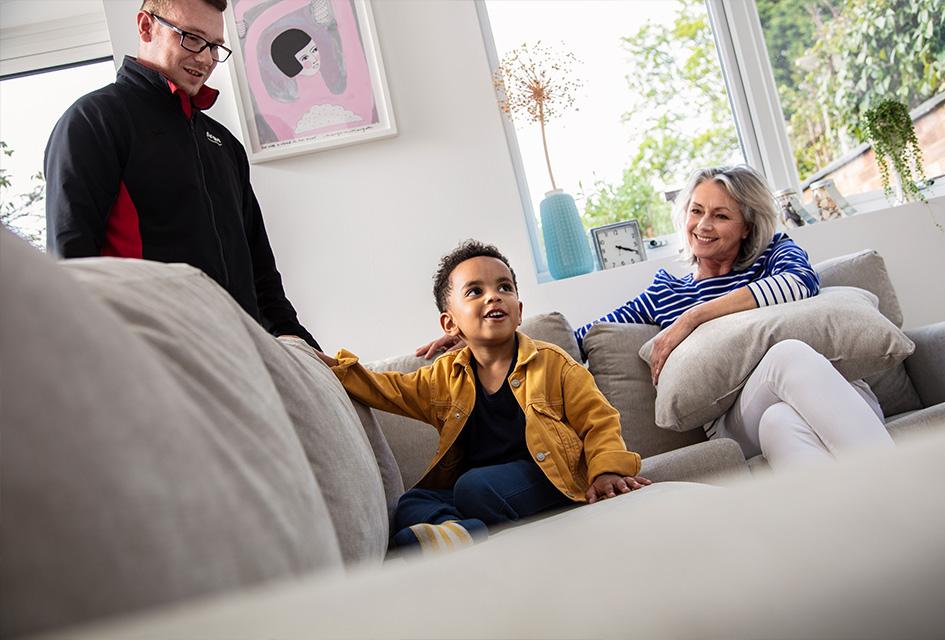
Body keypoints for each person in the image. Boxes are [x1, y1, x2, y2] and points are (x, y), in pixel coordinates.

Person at [317, 241, 651, 553]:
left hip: (550, 477)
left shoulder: (554, 364)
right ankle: (455, 532)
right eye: (476, 291)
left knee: (473, 487)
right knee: (413, 501)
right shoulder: (446, 375)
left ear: (519, 311)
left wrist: (606, 471)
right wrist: (337, 368)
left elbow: (599, 420)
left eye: (504, 287)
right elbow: (388, 389)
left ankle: (461, 529)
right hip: (486, 485)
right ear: (450, 323)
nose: (494, 296)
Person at [44, 0, 320, 351]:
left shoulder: (224, 144)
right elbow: (71, 258)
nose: (205, 59)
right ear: (146, 26)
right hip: (154, 360)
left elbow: (259, 266)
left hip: (247, 360)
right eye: (191, 38)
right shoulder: (94, 120)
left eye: (215, 46)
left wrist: (295, 338)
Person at [576, 165, 893, 469]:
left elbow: (799, 282)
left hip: (835, 396)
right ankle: (906, 484)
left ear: (748, 227)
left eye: (721, 215)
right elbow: (583, 337)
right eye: (696, 210)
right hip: (740, 418)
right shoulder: (665, 293)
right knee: (786, 357)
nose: (703, 225)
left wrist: (692, 319)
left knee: (779, 422)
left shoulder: (773, 253)